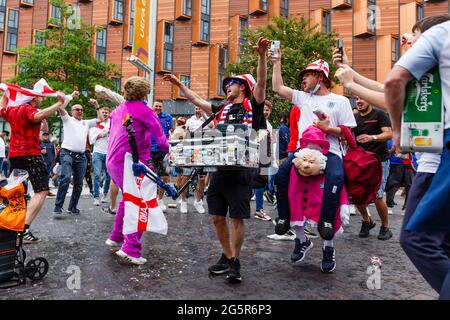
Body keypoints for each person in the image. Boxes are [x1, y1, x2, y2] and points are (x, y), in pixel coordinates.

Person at [163, 37, 270, 283]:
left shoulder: (253, 106)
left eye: (230, 84)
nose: (227, 88)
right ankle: (226, 256)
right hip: (219, 169)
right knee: (217, 217)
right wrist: (179, 83)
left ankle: (236, 260)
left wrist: (262, 56)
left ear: (242, 87)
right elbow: (196, 100)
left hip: (242, 171)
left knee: (237, 218)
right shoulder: (222, 109)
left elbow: (262, 82)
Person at [270, 49, 356, 273]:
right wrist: (276, 61)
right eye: (302, 78)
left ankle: (328, 239)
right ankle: (290, 226)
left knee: (336, 178)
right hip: (303, 152)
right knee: (280, 176)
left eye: (307, 75)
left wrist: (330, 129)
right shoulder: (302, 97)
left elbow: (350, 137)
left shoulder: (341, 101)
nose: (303, 80)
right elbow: (277, 88)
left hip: (331, 153)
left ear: (320, 76)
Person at [385, 19, 450, 299]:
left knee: (416, 237)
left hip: (435, 164)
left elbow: (391, 84)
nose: (410, 41)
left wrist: (396, 130)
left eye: (414, 37)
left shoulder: (442, 34)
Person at [105, 76, 169, 265]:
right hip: (132, 162)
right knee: (140, 202)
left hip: (113, 161)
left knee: (128, 197)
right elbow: (162, 140)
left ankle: (116, 236)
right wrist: (168, 152)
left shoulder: (117, 110)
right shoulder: (146, 111)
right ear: (143, 93)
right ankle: (130, 249)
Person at [0, 80, 67, 243]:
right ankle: (23, 230)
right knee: (41, 191)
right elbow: (38, 116)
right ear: (33, 98)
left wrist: (6, 94)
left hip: (15, 157)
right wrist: (59, 103)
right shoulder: (29, 108)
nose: (42, 99)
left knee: (17, 193)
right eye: (40, 97)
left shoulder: (13, 110)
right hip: (31, 155)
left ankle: (10, 227)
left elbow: (2, 109)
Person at [352, 96, 393, 240]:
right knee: (356, 194)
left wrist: (372, 137)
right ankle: (366, 221)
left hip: (379, 161)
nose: (359, 101)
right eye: (357, 99)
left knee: (377, 195)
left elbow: (388, 134)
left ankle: (385, 227)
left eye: (362, 98)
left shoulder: (379, 114)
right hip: (361, 162)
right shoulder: (354, 118)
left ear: (369, 100)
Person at [53, 102, 101, 217]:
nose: (80, 111)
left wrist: (96, 105)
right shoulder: (67, 119)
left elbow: (101, 119)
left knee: (79, 183)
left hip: (81, 156)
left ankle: (72, 207)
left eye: (81, 109)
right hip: (67, 153)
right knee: (65, 177)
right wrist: (70, 98)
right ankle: (58, 206)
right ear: (71, 111)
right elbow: (60, 107)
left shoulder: (86, 123)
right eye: (77, 109)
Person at [176, 106, 213, 214]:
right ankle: (183, 201)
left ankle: (197, 200)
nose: (198, 110)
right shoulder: (190, 120)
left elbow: (211, 126)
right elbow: (185, 134)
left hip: (203, 151)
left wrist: (204, 116)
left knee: (201, 178)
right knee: (186, 176)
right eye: (196, 108)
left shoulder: (208, 119)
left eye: (200, 109)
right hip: (190, 150)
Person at [150, 101, 173, 212]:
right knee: (149, 177)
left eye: (160, 106)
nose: (158, 108)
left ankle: (160, 199)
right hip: (149, 150)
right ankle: (151, 200)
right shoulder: (148, 115)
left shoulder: (167, 117)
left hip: (163, 150)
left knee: (164, 177)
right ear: (152, 107)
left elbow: (172, 131)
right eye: (156, 106)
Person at [88, 99, 111, 206]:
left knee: (109, 175)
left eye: (106, 112)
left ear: (109, 114)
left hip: (109, 153)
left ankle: (105, 194)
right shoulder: (95, 124)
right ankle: (96, 197)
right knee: (96, 175)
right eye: (103, 112)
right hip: (97, 152)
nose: (105, 114)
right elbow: (91, 140)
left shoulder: (112, 124)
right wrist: (101, 134)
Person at [40, 132, 56, 197]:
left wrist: (53, 161)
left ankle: (47, 191)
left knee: (47, 177)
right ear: (42, 136)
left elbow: (53, 153)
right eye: (44, 135)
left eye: (47, 135)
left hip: (49, 163)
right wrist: (40, 151)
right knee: (42, 177)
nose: (46, 136)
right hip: (42, 163)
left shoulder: (51, 144)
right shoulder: (40, 144)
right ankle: (42, 191)